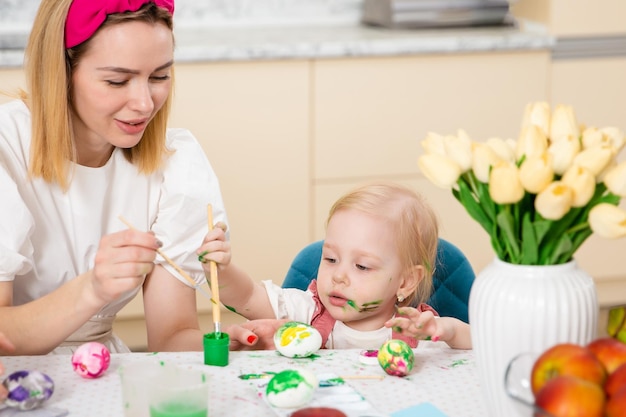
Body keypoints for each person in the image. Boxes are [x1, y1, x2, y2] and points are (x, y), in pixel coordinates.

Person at [0, 0, 281, 355]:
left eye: (160, 76)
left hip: (103, 371)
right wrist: (92, 289)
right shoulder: (6, 148)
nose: (145, 103)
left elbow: (171, 339)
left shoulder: (175, 164)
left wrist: (235, 346)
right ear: (60, 70)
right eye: (117, 81)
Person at [198, 182, 472, 350]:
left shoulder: (414, 328)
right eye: (330, 259)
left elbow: (482, 345)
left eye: (362, 266)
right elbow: (247, 297)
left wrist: (446, 330)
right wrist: (222, 270)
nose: (339, 275)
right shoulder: (308, 312)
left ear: (405, 281)